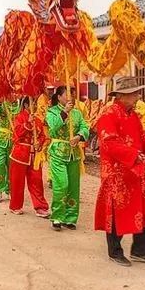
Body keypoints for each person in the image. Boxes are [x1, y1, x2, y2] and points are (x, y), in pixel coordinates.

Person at [95, 78, 145, 266]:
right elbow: (109, 142)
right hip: (116, 172)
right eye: (134, 93)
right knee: (117, 212)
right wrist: (133, 154)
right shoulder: (108, 114)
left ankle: (141, 251)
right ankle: (115, 251)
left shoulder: (132, 115)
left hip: (136, 169)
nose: (138, 97)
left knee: (144, 209)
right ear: (122, 95)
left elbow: (141, 136)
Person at [46, 86, 89, 230]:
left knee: (73, 186)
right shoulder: (52, 112)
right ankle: (57, 216)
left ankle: (70, 217)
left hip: (74, 154)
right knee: (61, 184)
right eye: (67, 95)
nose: (71, 98)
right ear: (59, 97)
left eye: (73, 95)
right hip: (58, 152)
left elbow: (85, 127)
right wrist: (64, 112)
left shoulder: (77, 113)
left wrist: (79, 136)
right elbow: (53, 128)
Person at [8, 96, 50, 217]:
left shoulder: (38, 120)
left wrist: (40, 143)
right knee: (17, 182)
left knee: (37, 181)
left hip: (34, 155)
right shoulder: (19, 117)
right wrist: (27, 124)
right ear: (26, 105)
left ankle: (40, 207)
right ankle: (15, 206)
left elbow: (43, 135)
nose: (36, 105)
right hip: (20, 154)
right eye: (34, 103)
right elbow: (16, 135)